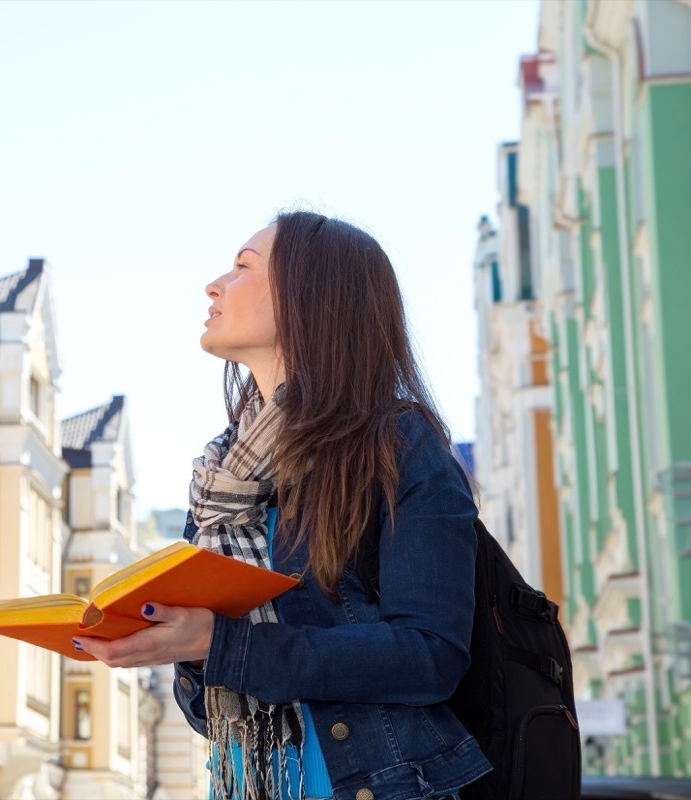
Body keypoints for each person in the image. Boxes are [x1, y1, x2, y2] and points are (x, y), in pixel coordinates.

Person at [74, 210, 492, 800]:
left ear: (311, 297)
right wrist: (182, 647)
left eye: (243, 267)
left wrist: (217, 644)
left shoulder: (397, 443)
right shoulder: (221, 480)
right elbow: (209, 720)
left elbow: (430, 656)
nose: (213, 285)